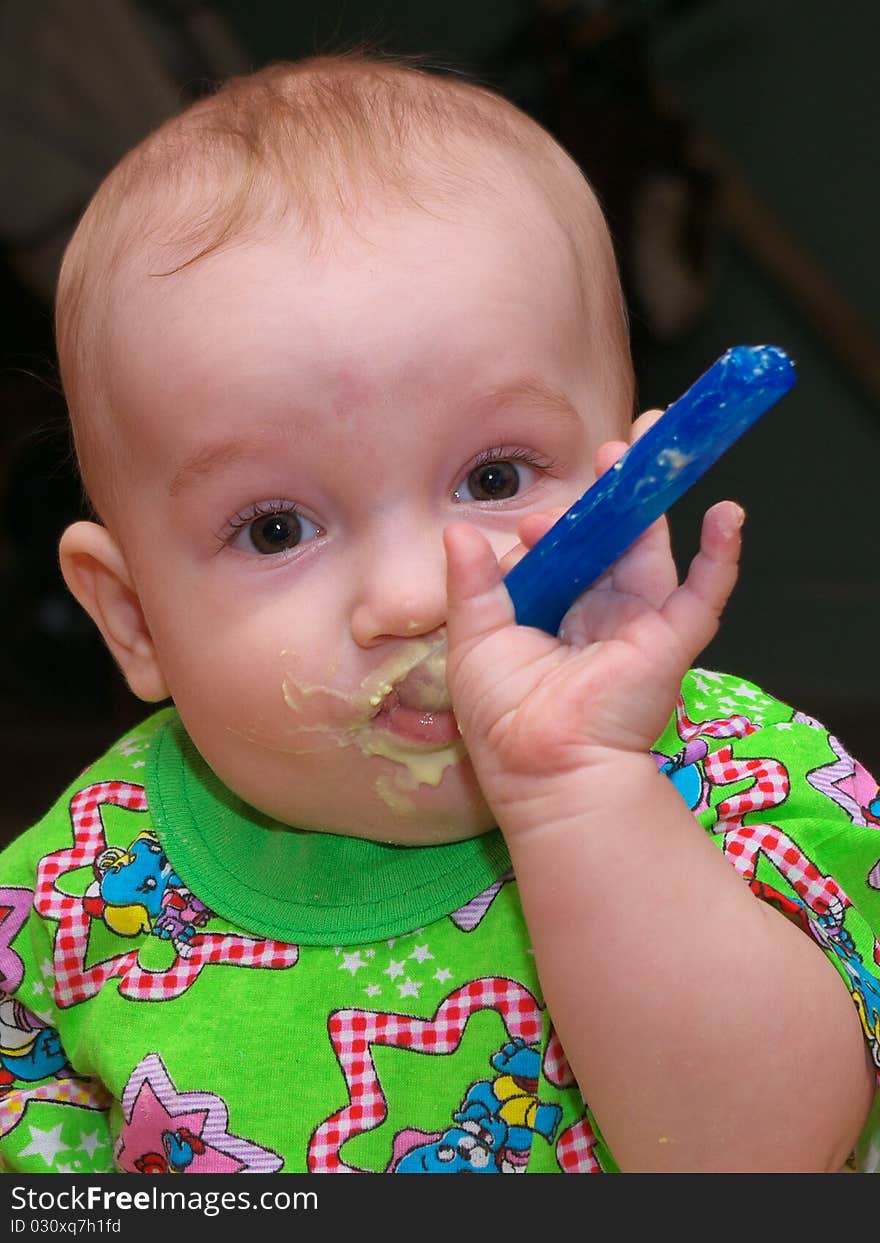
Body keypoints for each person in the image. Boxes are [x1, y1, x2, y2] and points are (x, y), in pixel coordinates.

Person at [1, 53, 878, 1176]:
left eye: (497, 476)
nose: (417, 595)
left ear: (629, 471)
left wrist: (580, 791)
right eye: (275, 528)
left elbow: (759, 1159)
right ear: (133, 621)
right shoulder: (72, 896)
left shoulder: (745, 783)